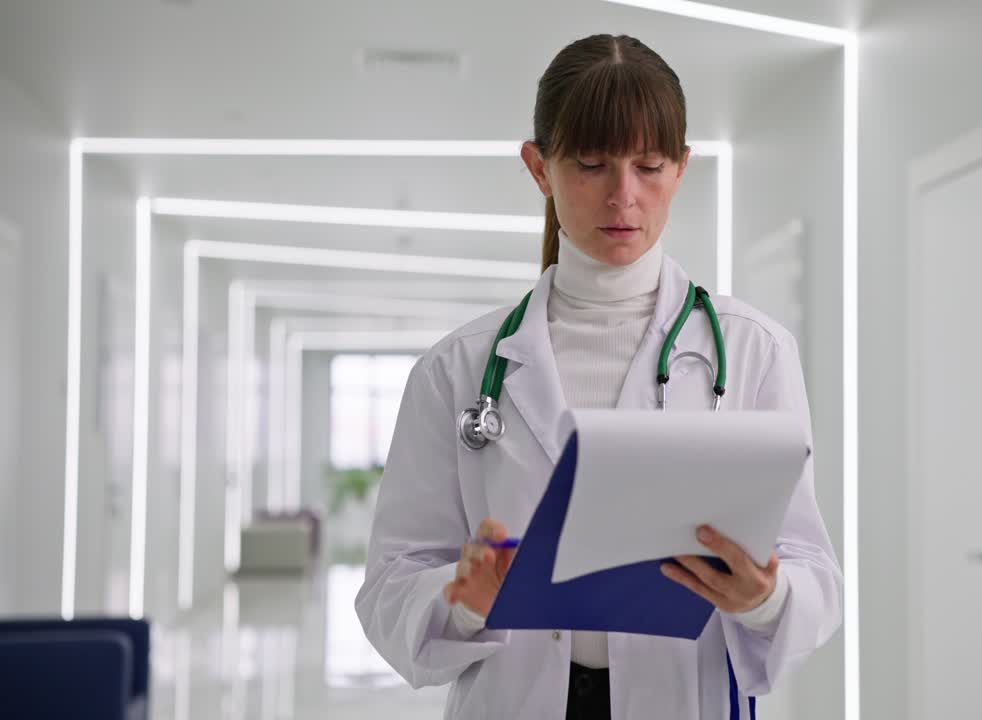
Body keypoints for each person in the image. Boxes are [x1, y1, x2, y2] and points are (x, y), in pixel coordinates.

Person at [356, 33, 842, 719]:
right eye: (590, 164)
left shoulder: (754, 350)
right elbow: (390, 581)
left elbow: (812, 565)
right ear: (538, 167)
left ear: (682, 169)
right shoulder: (458, 368)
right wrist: (461, 600)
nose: (624, 196)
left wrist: (767, 597)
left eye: (649, 165)